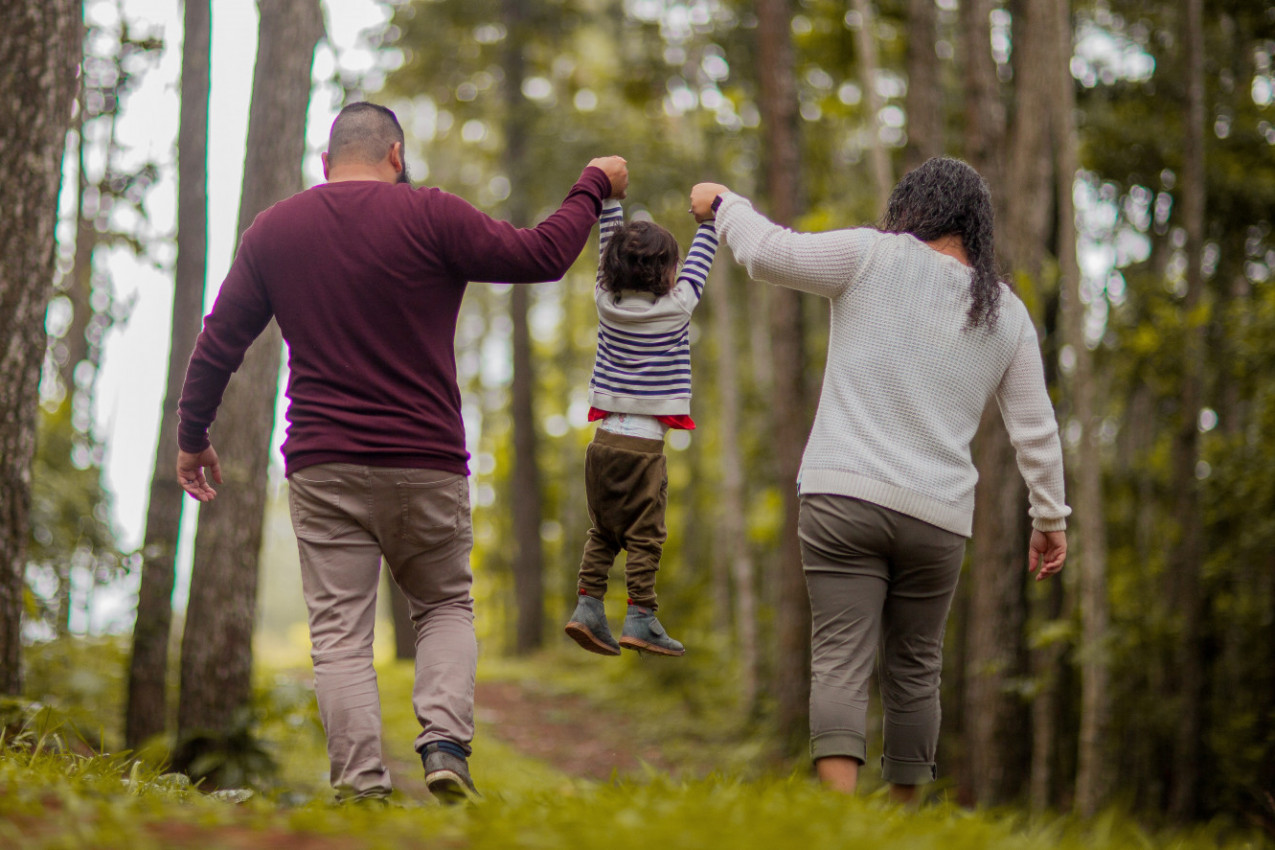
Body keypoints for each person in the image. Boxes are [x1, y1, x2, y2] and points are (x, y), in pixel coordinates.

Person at [176, 101, 628, 804]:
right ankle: (445, 745)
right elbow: (542, 255)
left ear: (326, 163)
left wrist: (192, 436)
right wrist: (593, 183)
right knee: (444, 604)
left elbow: (219, 342)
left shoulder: (275, 230)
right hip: (426, 459)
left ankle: (361, 788)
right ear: (396, 155)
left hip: (324, 462)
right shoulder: (431, 214)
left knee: (339, 636)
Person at [689, 157, 1069, 802]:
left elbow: (767, 253)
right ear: (977, 227)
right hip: (938, 518)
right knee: (916, 670)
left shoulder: (870, 255)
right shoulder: (1006, 313)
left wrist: (725, 202)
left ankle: (840, 822)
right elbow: (1036, 429)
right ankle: (902, 822)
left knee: (840, 657)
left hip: (843, 496)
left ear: (912, 207)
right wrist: (1050, 518)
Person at [562, 197, 718, 658]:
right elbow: (702, 261)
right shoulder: (678, 306)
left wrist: (611, 200)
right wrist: (710, 219)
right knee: (644, 536)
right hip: (643, 450)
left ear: (611, 269)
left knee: (603, 532)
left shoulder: (605, 303)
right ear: (667, 273)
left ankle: (588, 606)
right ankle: (641, 616)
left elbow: (605, 247)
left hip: (603, 444)